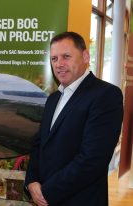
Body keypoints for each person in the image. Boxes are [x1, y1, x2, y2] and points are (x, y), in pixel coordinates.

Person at [25, 31, 123, 206]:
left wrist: (46, 191)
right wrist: (31, 181)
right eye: (54, 59)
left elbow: (92, 159)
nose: (59, 64)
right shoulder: (53, 98)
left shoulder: (106, 95)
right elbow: (40, 144)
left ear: (85, 56)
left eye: (66, 56)